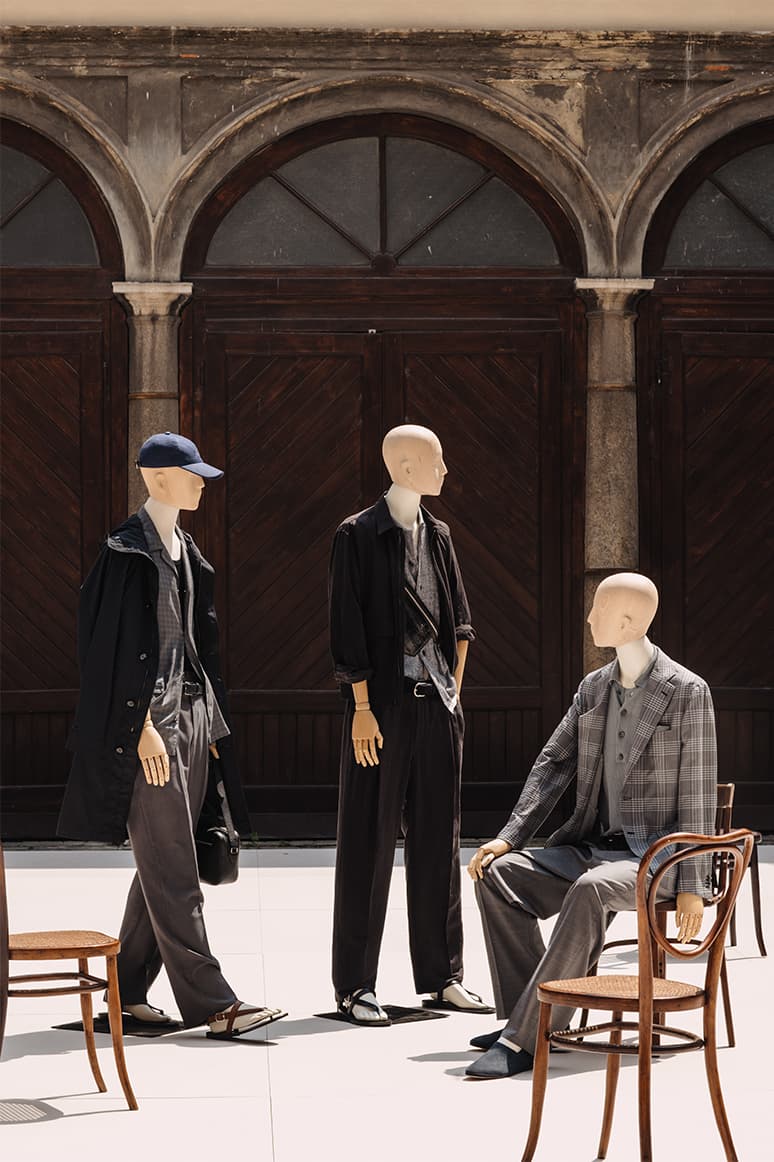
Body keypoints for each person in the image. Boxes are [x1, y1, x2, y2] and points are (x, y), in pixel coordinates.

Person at [58, 432, 284, 1038]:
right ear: (156, 479)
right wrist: (140, 733)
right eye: (191, 475)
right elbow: (101, 656)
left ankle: (124, 993)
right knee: (175, 869)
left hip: (192, 722)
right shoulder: (122, 553)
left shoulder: (188, 550)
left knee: (159, 864)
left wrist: (210, 724)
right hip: (148, 731)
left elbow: (194, 649)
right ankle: (213, 1005)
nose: (201, 484)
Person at [465, 572, 716, 1078]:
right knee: (498, 876)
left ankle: (523, 1040)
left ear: (626, 621)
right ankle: (531, 1018)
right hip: (593, 845)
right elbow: (554, 763)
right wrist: (507, 837)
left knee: (592, 888)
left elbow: (698, 791)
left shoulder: (688, 691)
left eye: (597, 609)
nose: (588, 618)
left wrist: (691, 882)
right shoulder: (593, 688)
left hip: (659, 856)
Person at [329, 424, 491, 1025]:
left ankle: (442, 974)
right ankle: (354, 985)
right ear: (401, 466)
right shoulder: (356, 536)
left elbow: (461, 623)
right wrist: (363, 709)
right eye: (435, 461)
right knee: (367, 842)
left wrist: (452, 693)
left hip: (436, 709)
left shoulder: (440, 535)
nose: (445, 470)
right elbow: (346, 629)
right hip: (381, 709)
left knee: (438, 841)